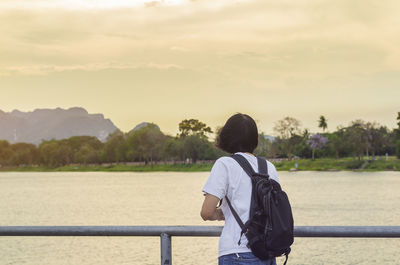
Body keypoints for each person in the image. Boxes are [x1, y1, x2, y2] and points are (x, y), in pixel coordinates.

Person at [201, 113, 279, 265]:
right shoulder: (269, 167)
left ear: (228, 137)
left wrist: (220, 214)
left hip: (236, 253)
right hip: (266, 253)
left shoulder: (224, 164)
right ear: (254, 138)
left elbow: (206, 212)